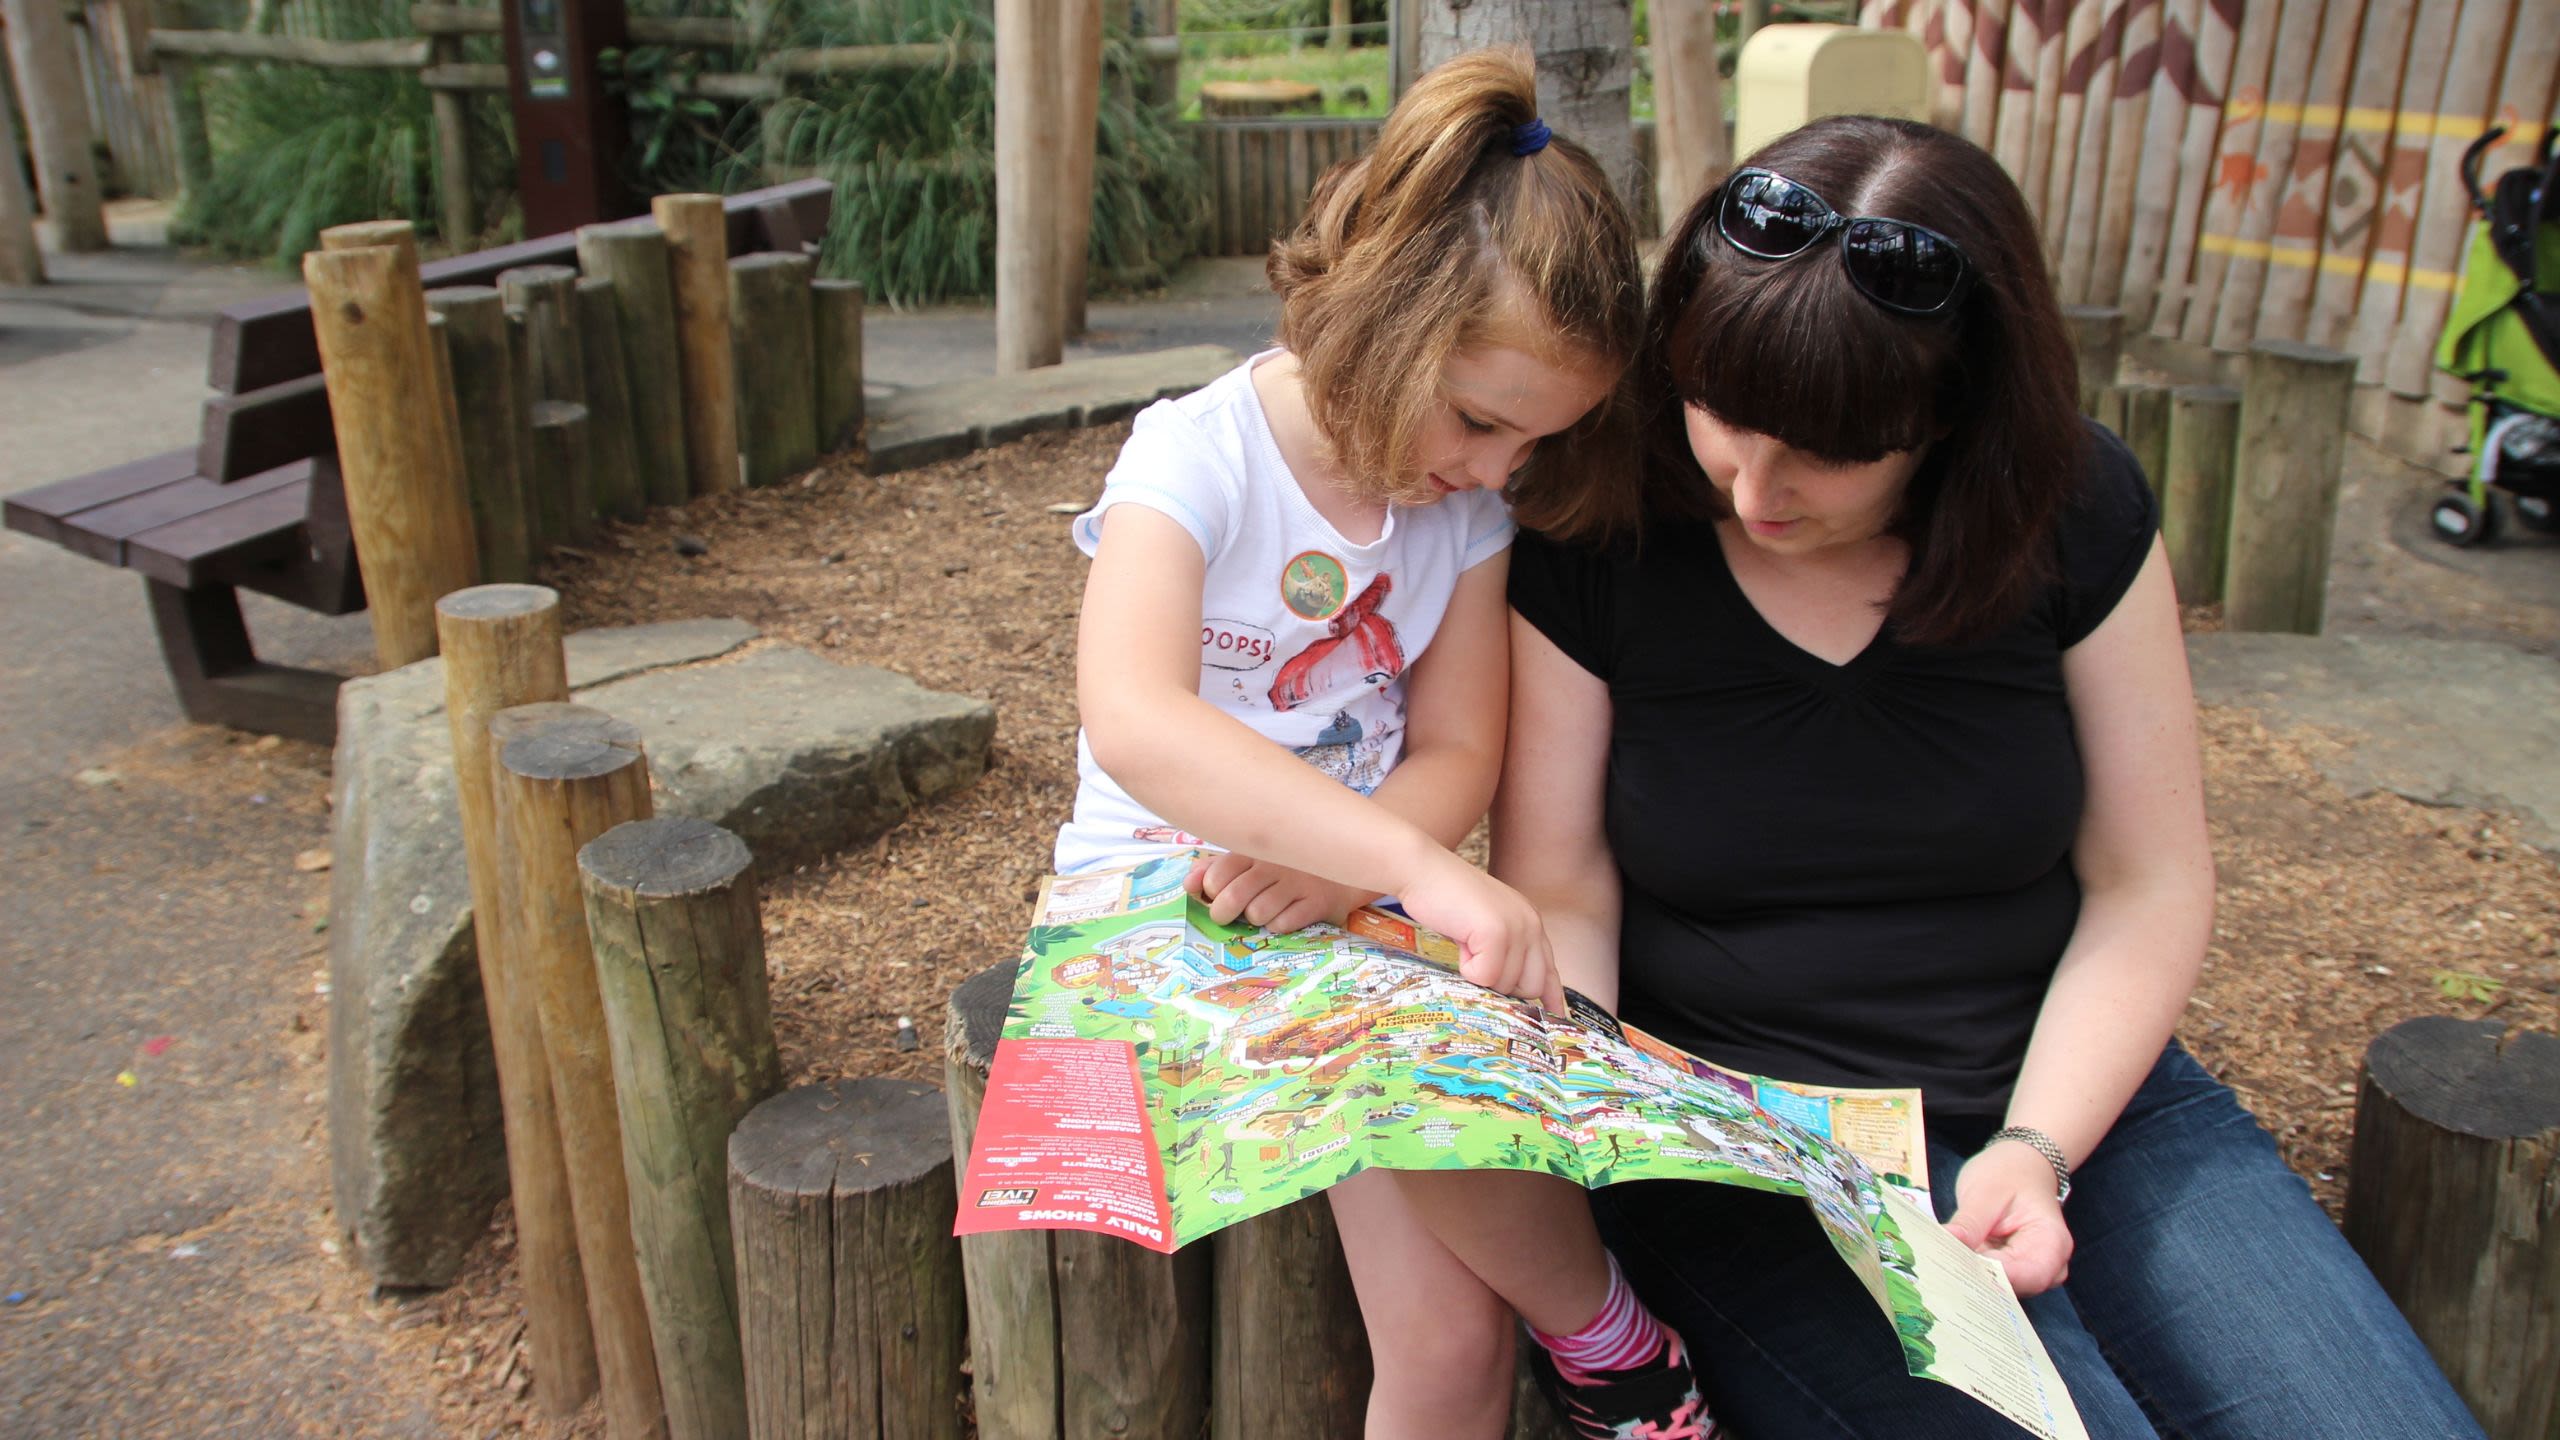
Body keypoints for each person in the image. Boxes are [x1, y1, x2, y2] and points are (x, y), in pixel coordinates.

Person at [1494, 114, 2486, 1439]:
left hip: (2083, 1096)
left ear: (1949, 412)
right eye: (1725, 412)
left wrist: (2040, 1146)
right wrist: (1597, 1099)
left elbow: (2147, 880)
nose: (1755, 485)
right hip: (1755, 1145)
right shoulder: (1602, 525)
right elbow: (1563, 883)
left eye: (1828, 448)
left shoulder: (2073, 507)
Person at [1060, 48, 1714, 1440]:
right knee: (1414, 1063)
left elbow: (1461, 746)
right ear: (1383, 309)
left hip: (1348, 915)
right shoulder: (1194, 458)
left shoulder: (1460, 515)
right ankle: (1606, 1326)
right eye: (1480, 421)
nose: (1492, 472)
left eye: (1529, 446)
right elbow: (1135, 721)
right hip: (1163, 907)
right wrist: (1413, 868)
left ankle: (1601, 1345)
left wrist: (1368, 871)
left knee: (1458, 1345)